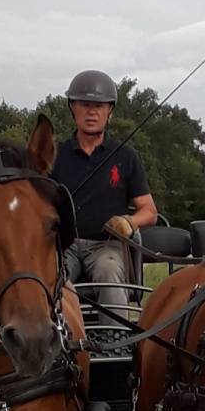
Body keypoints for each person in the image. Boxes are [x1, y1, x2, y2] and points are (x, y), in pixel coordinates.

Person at [50, 70, 158, 325]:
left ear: (110, 111)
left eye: (99, 106)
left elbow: (149, 212)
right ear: (72, 108)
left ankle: (116, 344)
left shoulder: (126, 156)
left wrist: (129, 223)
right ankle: (57, 346)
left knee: (108, 271)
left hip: (106, 247)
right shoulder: (54, 156)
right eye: (84, 105)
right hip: (62, 246)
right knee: (50, 279)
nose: (91, 112)